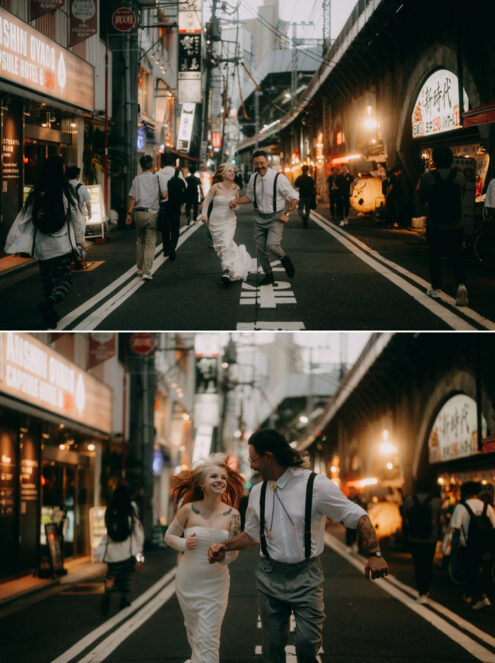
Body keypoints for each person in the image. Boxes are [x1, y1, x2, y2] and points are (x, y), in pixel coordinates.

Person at [208, 429, 389, 663]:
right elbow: (252, 535)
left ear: (268, 457)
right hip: (269, 575)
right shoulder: (258, 493)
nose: (251, 466)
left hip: (307, 575)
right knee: (272, 649)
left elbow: (358, 516)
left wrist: (375, 553)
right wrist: (226, 545)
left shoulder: (315, 485)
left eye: (253, 460)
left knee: (306, 644)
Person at [165, 454, 244, 663]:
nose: (220, 480)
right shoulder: (188, 510)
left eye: (223, 478)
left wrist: (222, 557)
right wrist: (183, 544)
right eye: (214, 476)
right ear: (201, 483)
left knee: (209, 637)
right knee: (195, 634)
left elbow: (234, 552)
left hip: (216, 584)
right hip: (188, 582)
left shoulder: (233, 515)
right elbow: (169, 536)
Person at [4, 155, 85, 328]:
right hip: (60, 246)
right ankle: (49, 305)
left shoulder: (37, 191)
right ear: (59, 170)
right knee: (64, 280)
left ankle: (51, 313)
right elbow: (76, 217)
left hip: (42, 247)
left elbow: (23, 218)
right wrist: (80, 240)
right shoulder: (65, 190)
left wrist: (10, 242)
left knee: (47, 282)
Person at [231, 150, 299, 286]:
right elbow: (250, 197)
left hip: (276, 217)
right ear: (254, 165)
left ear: (268, 162)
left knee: (272, 245)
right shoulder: (253, 178)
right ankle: (269, 275)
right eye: (257, 163)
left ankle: (285, 259)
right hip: (260, 218)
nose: (260, 166)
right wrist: (236, 201)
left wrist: (287, 214)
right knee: (260, 249)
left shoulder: (278, 178)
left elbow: (294, 197)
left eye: (262, 163)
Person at [418, 145, 468, 306]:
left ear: (435, 160)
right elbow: (463, 195)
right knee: (457, 255)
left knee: (435, 255)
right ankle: (461, 285)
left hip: (435, 224)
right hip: (457, 224)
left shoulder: (428, 177)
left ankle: (436, 288)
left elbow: (422, 198)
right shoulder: (459, 177)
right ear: (451, 160)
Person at [201, 163, 252, 286]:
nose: (232, 173)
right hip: (215, 221)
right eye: (229, 171)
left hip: (229, 221)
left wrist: (235, 205)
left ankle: (226, 270)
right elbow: (206, 202)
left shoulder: (236, 188)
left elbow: (237, 205)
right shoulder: (215, 187)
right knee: (220, 247)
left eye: (233, 171)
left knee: (226, 243)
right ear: (223, 174)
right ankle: (235, 265)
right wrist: (204, 215)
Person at [99, 484, 144, 615]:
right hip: (126, 550)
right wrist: (139, 548)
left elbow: (107, 528)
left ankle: (106, 596)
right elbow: (137, 529)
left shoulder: (110, 507)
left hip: (112, 551)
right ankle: (124, 599)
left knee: (111, 575)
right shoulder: (131, 508)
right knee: (126, 574)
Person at [450, 481, 495, 610]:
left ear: (464, 492)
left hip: (468, 545)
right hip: (486, 546)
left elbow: (456, 528)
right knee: (483, 570)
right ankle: (478, 595)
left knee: (470, 570)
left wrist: (458, 542)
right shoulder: (487, 507)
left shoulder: (461, 507)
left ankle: (477, 596)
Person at [402, 477, 442, 604]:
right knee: (428, 563)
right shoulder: (435, 501)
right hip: (431, 537)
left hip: (414, 537)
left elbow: (404, 515)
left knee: (418, 564)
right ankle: (426, 589)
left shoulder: (409, 500)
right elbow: (439, 517)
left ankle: (421, 592)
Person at [126, 154, 160, 280]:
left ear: (141, 166)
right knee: (150, 242)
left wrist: (128, 214)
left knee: (140, 241)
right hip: (152, 213)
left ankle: (139, 269)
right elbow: (163, 194)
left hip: (138, 212)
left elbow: (132, 198)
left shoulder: (136, 179)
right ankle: (146, 271)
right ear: (152, 165)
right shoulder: (156, 179)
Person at [157, 152, 187, 259]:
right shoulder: (177, 173)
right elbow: (185, 185)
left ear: (163, 163)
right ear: (173, 163)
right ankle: (172, 248)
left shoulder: (158, 173)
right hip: (175, 204)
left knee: (165, 227)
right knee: (175, 227)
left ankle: (166, 249)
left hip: (163, 204)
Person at [345, 486, 367, 553]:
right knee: (349, 532)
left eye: (353, 490)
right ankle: (349, 545)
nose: (352, 492)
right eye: (350, 490)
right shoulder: (348, 498)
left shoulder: (358, 499)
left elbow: (363, 506)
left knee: (358, 533)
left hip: (357, 518)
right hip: (349, 518)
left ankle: (358, 547)